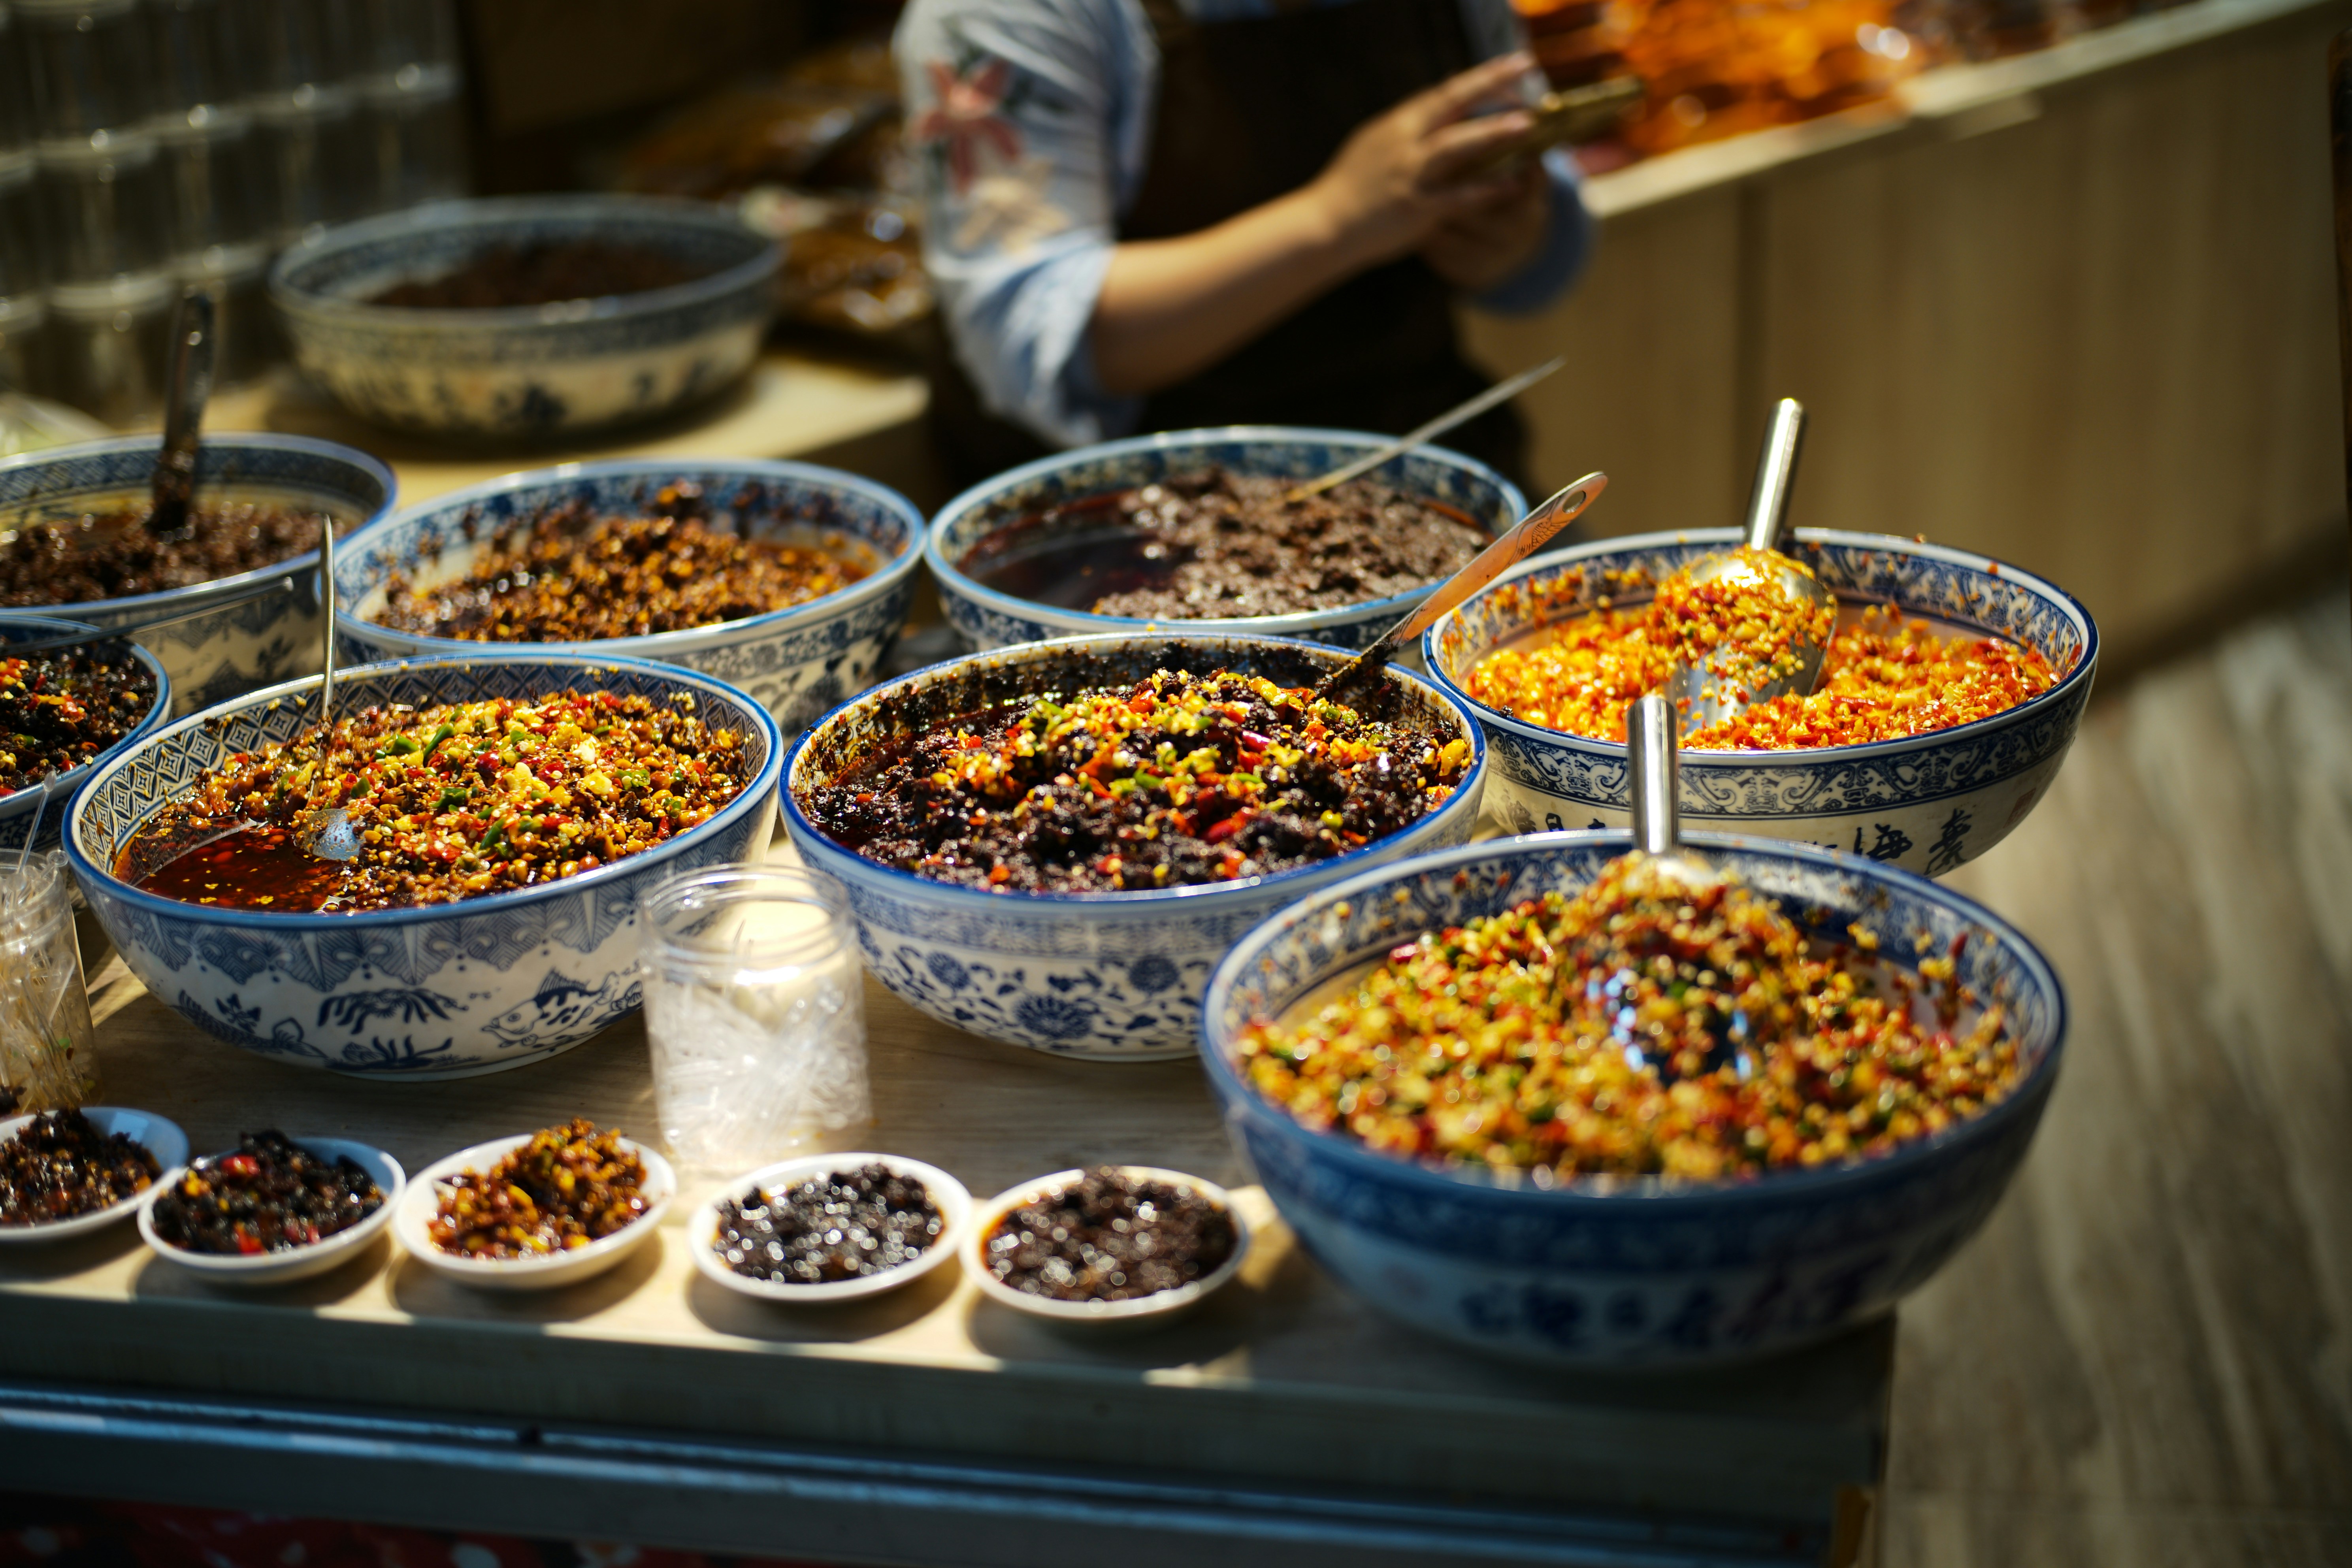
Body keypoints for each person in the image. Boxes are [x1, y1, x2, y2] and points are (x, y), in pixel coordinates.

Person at [897, 0, 1596, 493]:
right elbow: (1036, 341)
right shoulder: (1006, 13)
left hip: (1420, 461)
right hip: (1122, 527)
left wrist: (1510, 240)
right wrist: (1339, 220)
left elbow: (1547, 259)